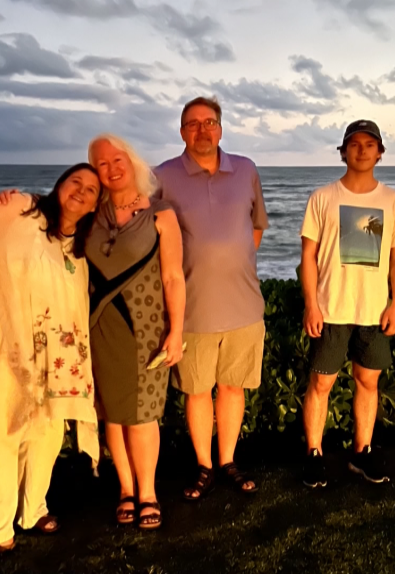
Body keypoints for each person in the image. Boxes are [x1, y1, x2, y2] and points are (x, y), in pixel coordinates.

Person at [0, 164, 101, 568]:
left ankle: (32, 510)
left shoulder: (78, 248)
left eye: (92, 190)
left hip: (52, 355)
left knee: (45, 431)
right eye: (76, 182)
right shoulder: (19, 207)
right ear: (60, 184)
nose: (82, 192)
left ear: (96, 204)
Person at [154, 97, 268, 500]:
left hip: (244, 304)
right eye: (192, 124)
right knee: (198, 391)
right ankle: (204, 466)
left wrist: (232, 260)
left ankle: (228, 461)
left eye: (209, 122)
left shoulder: (246, 169)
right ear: (182, 131)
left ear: (221, 127)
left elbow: (256, 227)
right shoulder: (162, 176)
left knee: (233, 388)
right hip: (192, 309)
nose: (202, 130)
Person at [299, 120, 395, 488]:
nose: (362, 150)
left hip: (373, 311)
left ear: (380, 152)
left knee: (368, 381)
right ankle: (313, 454)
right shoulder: (322, 197)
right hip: (331, 308)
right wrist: (311, 305)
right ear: (343, 151)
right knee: (321, 384)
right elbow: (309, 256)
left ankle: (361, 452)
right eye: (354, 144)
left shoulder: (393, 201)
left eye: (370, 144)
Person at [83, 134, 185, 530]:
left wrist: (176, 330)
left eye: (116, 158)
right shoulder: (90, 215)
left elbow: (174, 277)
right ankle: (125, 490)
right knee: (112, 413)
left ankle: (148, 493)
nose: (111, 167)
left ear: (132, 161)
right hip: (98, 326)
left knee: (142, 415)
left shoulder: (162, 214)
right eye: (101, 163)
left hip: (145, 327)